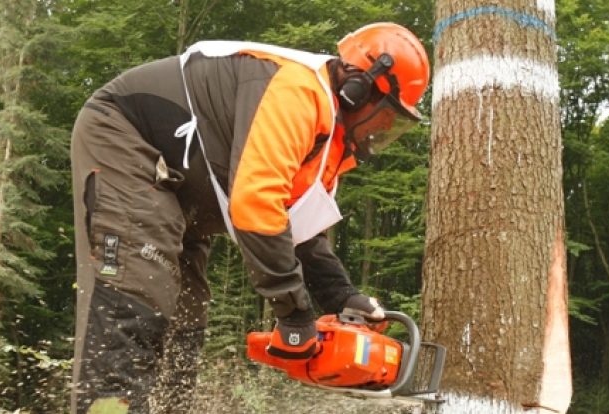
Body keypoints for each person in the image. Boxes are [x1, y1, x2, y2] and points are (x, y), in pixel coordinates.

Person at [69, 22, 430, 413]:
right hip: (128, 140)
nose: (382, 131)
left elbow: (300, 226)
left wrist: (340, 295)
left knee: (185, 318)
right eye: (384, 117)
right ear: (358, 86)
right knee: (137, 292)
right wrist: (294, 313)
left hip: (184, 192)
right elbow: (257, 204)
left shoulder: (330, 143)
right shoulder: (298, 92)